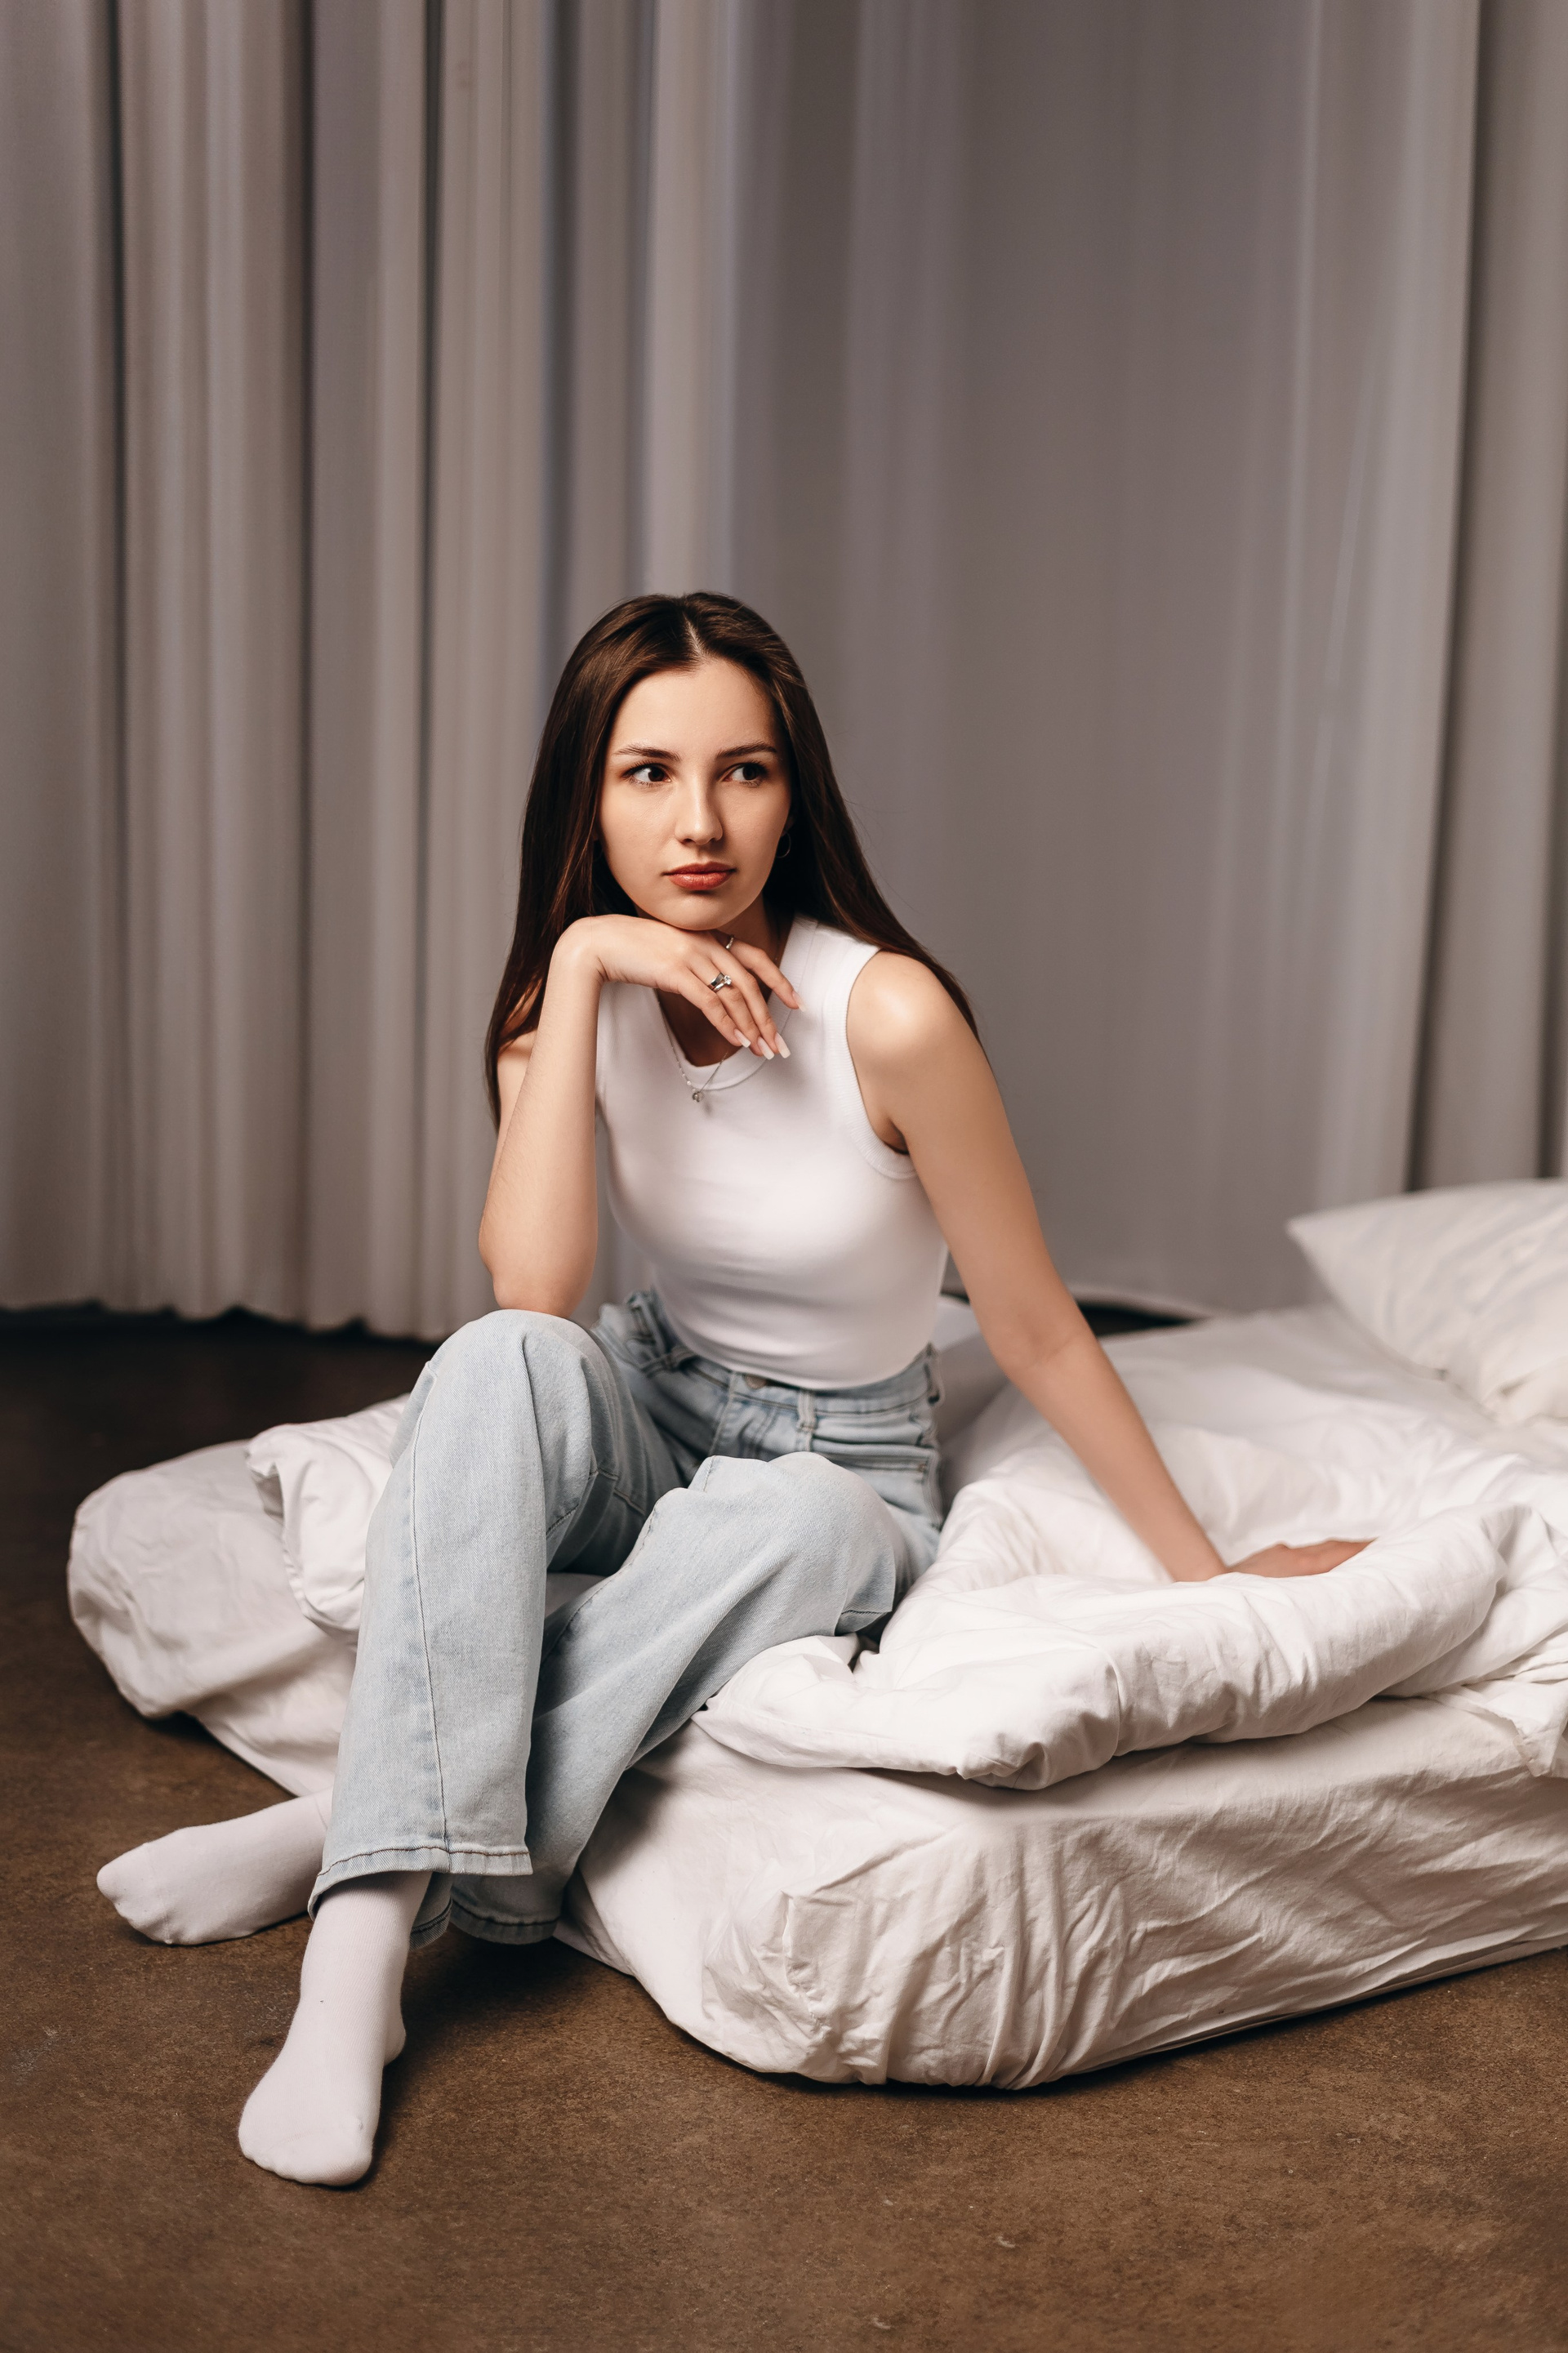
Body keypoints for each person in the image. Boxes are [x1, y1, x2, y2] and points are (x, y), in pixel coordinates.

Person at [97, 593, 1364, 2186]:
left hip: (845, 1458)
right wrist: (584, 961)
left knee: (783, 1521)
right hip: (651, 1396)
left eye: (743, 771)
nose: (699, 822)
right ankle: (356, 1957)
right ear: (591, 796)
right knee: (492, 1361)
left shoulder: (888, 1013)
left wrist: (1212, 1574)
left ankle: (355, 1855)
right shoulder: (568, 1002)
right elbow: (535, 1292)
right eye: (648, 774)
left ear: (793, 789)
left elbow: (1035, 1325)